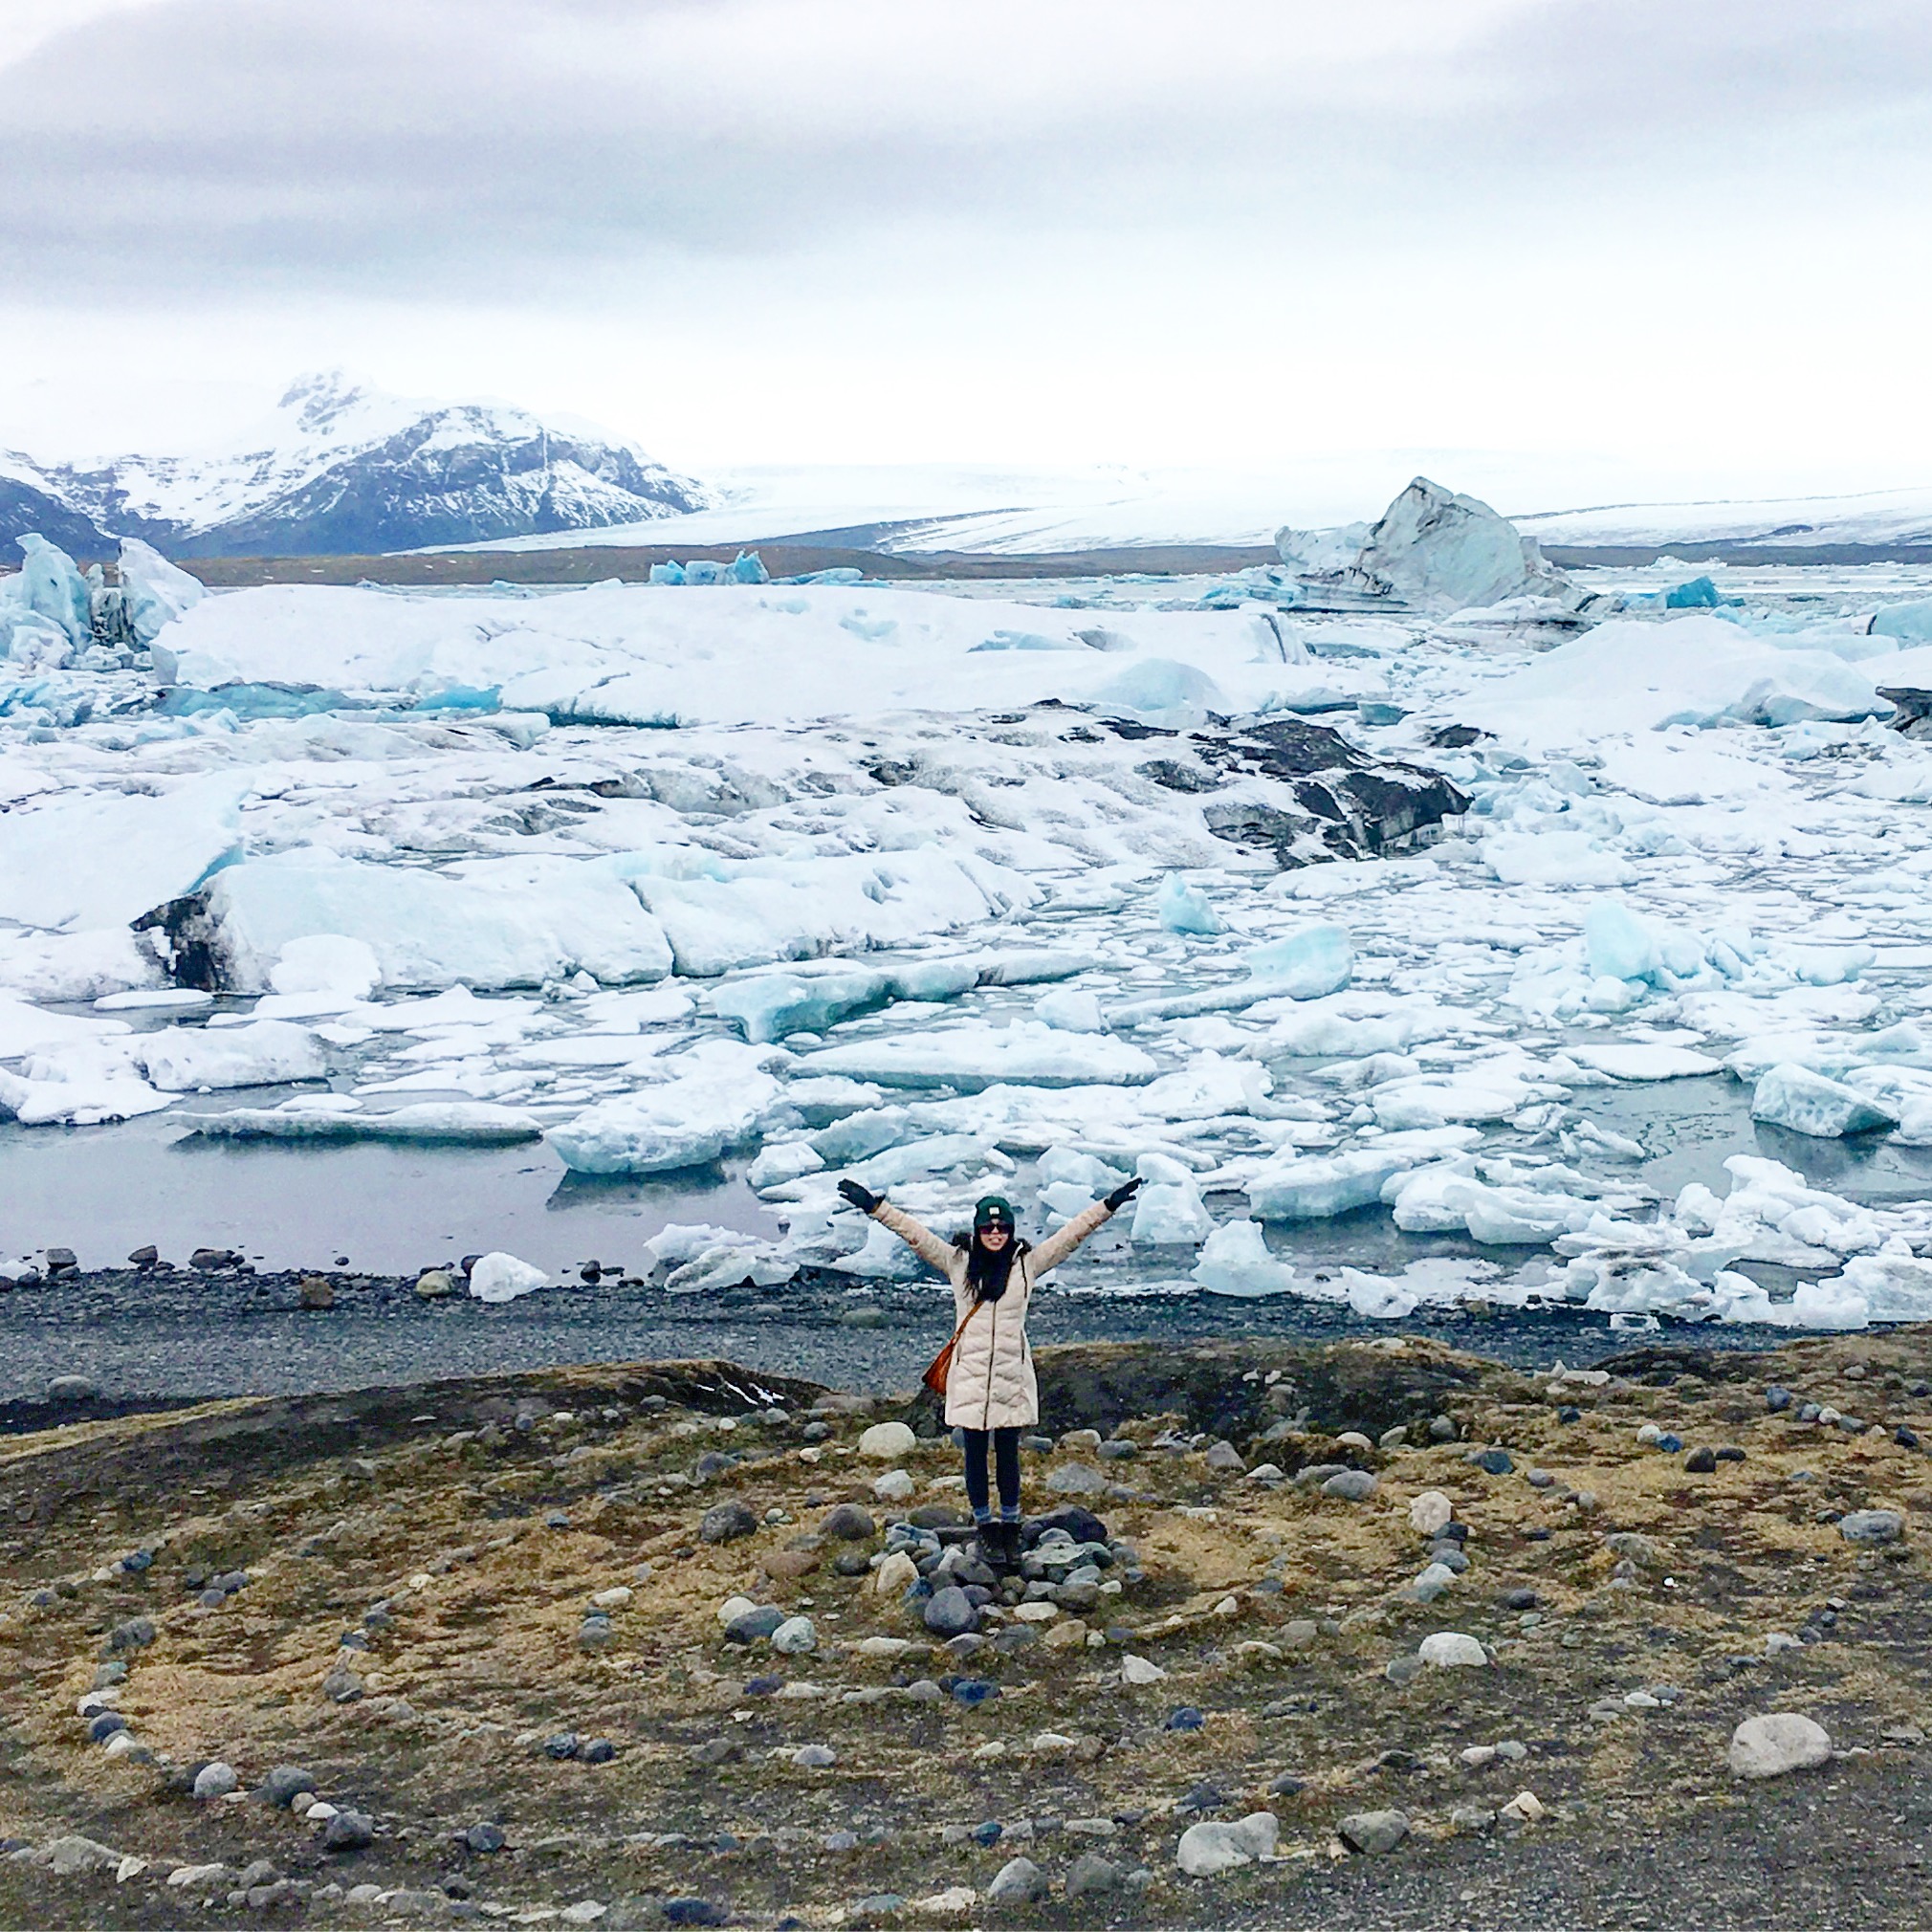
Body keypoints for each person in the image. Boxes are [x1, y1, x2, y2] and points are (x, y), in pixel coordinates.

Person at [834, 1175, 1142, 1571]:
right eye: (987, 1227)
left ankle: (1011, 1530)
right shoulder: (959, 1264)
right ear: (977, 1231)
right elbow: (916, 1235)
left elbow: (1070, 1236)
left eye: (1001, 1227)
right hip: (971, 1378)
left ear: (1010, 1231)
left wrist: (1108, 1205)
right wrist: (875, 1207)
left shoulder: (1027, 1266)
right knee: (975, 1455)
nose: (995, 1233)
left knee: (1009, 1454)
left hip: (1010, 1378)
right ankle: (985, 1530)